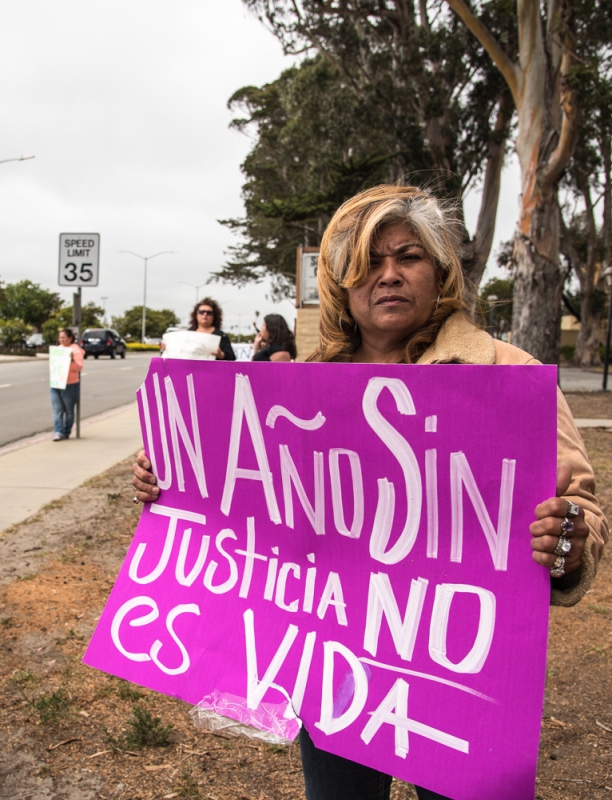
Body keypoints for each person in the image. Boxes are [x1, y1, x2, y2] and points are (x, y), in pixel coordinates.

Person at [132, 185, 608, 800]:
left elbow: (581, 510)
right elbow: (246, 506)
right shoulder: (297, 390)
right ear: (342, 283)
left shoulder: (507, 374)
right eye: (368, 262)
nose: (388, 275)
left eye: (407, 256)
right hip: (335, 667)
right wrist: (170, 484)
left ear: (439, 274)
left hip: (459, 671)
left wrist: (568, 537)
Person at [161, 298, 236, 360]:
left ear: (214, 316)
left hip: (212, 374)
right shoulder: (187, 334)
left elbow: (232, 358)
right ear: (195, 315)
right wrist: (168, 347)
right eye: (201, 312)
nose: (205, 314)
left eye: (209, 312)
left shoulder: (221, 336)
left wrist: (222, 355)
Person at [50, 328, 84, 441]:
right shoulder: (59, 349)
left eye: (64, 337)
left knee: (69, 410)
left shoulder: (75, 350)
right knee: (57, 409)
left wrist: (72, 360)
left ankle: (66, 432)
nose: (61, 339)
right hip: (56, 383)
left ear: (70, 338)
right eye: (60, 337)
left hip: (70, 384)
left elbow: (79, 368)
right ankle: (58, 432)